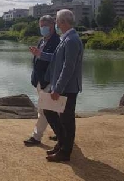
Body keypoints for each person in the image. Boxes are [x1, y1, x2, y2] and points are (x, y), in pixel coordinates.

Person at [42, 9, 83, 162]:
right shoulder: (66, 38)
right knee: (50, 111)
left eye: (58, 21)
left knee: (67, 119)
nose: (56, 24)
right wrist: (41, 54)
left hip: (68, 88)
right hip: (63, 86)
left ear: (64, 22)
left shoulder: (71, 40)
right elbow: (57, 58)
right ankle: (61, 143)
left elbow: (68, 67)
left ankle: (65, 152)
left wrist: (57, 88)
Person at [24, 15, 60, 146]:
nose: (42, 28)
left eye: (44, 26)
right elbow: (37, 60)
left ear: (52, 26)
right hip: (39, 81)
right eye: (41, 26)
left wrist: (40, 54)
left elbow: (57, 59)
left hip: (49, 81)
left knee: (43, 110)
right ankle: (61, 133)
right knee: (52, 110)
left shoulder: (58, 41)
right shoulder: (42, 40)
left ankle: (36, 136)